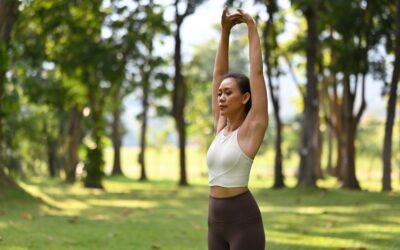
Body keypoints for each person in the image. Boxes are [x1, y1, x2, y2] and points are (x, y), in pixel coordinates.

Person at [206, 7, 268, 250]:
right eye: (220, 93)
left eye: (228, 93)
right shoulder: (221, 128)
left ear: (245, 98)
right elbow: (218, 75)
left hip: (244, 224)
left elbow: (257, 73)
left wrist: (251, 28)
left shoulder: (252, 129)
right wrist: (225, 33)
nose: (220, 97)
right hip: (215, 223)